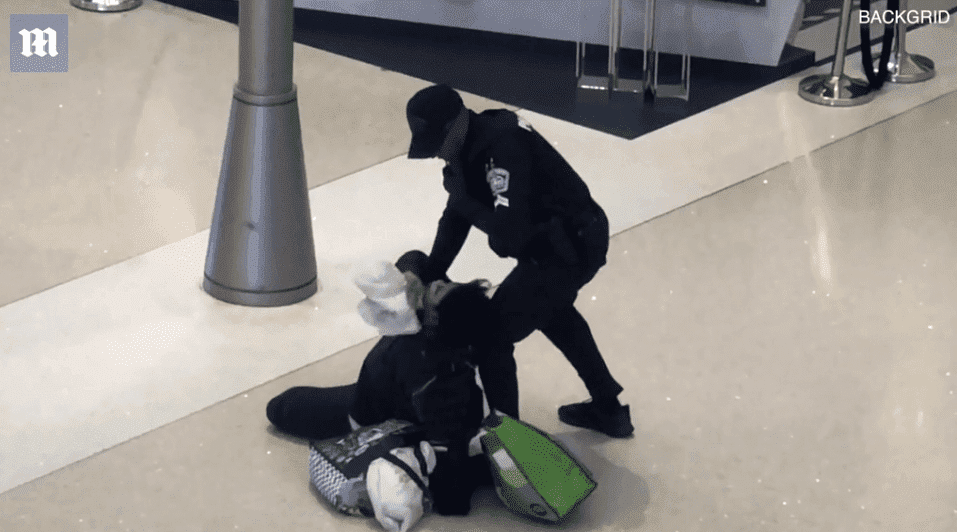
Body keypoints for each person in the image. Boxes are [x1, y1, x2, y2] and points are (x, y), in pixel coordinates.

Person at [404, 84, 633, 438]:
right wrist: (432, 270)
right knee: (552, 313)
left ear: (455, 124)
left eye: (436, 143)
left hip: (570, 246)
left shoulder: (502, 145)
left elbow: (509, 235)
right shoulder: (469, 146)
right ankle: (609, 408)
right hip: (558, 243)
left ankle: (509, 441)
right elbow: (455, 218)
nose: (434, 154)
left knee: (491, 337)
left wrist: (464, 203)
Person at [266, 250, 495, 515]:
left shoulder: (434, 382)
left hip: (368, 420)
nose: (436, 283)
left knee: (281, 407)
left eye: (438, 289)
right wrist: (409, 277)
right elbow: (417, 259)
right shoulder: (450, 324)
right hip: (386, 392)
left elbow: (452, 496)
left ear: (435, 318)